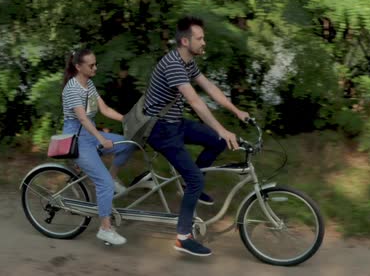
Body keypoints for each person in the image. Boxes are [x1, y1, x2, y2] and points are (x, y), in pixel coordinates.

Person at [143, 16, 249, 257]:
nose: (204, 42)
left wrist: (237, 111)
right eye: (200, 39)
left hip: (175, 124)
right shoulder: (173, 64)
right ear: (184, 40)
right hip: (159, 130)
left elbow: (209, 87)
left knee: (217, 141)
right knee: (197, 179)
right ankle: (183, 237)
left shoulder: (187, 61)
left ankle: (189, 181)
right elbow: (194, 100)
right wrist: (221, 127)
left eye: (203, 38)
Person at [62, 48, 136, 245]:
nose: (96, 67)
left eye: (96, 64)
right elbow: (83, 119)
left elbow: (104, 109)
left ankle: (112, 181)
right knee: (103, 183)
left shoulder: (90, 85)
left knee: (127, 145)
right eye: (91, 65)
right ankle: (105, 228)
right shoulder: (71, 89)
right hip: (78, 139)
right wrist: (102, 140)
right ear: (78, 66)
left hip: (91, 133)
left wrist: (127, 120)